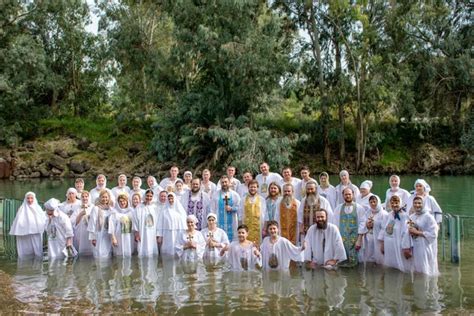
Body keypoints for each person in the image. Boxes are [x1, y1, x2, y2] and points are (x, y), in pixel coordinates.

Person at [405, 196, 439, 276]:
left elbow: (434, 234)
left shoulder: (429, 217)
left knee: (424, 269)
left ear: (423, 204)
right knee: (415, 269)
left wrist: (418, 232)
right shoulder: (411, 217)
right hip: (414, 246)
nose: (417, 205)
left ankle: (425, 284)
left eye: (419, 203)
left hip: (424, 246)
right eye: (415, 203)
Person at [333, 187, 366, 266]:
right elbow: (335, 224)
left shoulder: (359, 208)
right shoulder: (338, 208)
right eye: (346, 194)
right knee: (342, 261)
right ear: (343, 196)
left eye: (349, 194)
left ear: (353, 195)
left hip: (355, 239)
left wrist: (359, 239)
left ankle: (355, 276)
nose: (347, 196)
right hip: (342, 239)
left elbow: (362, 223)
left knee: (357, 262)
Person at [378, 195, 412, 273]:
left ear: (400, 203)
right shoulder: (389, 215)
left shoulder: (404, 216)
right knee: (390, 267)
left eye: (396, 203)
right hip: (389, 245)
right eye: (392, 203)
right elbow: (384, 229)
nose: (394, 205)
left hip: (399, 244)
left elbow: (406, 232)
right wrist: (382, 244)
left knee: (401, 266)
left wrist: (406, 248)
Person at [9, 192, 47, 258]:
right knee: (25, 248)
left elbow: (43, 218)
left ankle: (37, 263)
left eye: (31, 198)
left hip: (36, 231)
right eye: (28, 198)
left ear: (34, 199)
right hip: (24, 233)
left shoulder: (38, 208)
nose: (30, 200)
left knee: (37, 248)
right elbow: (18, 220)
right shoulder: (22, 209)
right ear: (25, 199)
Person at [360, 195, 388, 264]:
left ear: (378, 202)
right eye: (371, 202)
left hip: (378, 241)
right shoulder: (368, 212)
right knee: (369, 260)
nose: (373, 204)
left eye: (374, 202)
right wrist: (367, 225)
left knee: (380, 259)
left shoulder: (384, 214)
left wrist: (382, 243)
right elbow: (362, 223)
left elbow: (384, 228)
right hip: (368, 241)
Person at [157, 192, 187, 257]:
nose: (171, 200)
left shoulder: (180, 210)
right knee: (167, 253)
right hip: (167, 234)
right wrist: (159, 235)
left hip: (178, 234)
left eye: (172, 198)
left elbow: (184, 223)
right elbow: (160, 224)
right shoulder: (164, 211)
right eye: (169, 199)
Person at [212, 175, 241, 241]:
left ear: (229, 183)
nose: (224, 184)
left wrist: (232, 209)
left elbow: (240, 208)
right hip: (219, 222)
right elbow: (212, 209)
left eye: (226, 182)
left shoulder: (235, 195)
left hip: (232, 222)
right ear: (220, 183)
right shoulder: (215, 195)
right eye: (222, 182)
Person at [132, 190, 159, 257]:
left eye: (150, 196)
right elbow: (135, 220)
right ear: (144, 196)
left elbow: (157, 221)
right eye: (147, 196)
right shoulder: (139, 207)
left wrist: (157, 234)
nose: (149, 198)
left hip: (152, 232)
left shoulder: (154, 207)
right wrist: (137, 233)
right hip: (142, 232)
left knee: (151, 251)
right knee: (142, 249)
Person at [87, 189, 114, 258]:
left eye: (106, 197)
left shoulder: (110, 209)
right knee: (99, 253)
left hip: (108, 234)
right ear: (100, 198)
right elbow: (92, 223)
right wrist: (93, 237)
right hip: (98, 234)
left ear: (109, 198)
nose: (104, 199)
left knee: (108, 254)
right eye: (103, 197)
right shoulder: (96, 208)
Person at [239, 180, 266, 245]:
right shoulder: (243, 199)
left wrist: (264, 227)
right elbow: (240, 213)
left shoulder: (261, 199)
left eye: (254, 187)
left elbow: (265, 214)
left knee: (258, 245)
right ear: (248, 188)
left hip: (258, 227)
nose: (253, 189)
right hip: (246, 225)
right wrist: (240, 226)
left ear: (257, 188)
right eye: (251, 187)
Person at [70, 191, 94, 256]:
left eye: (86, 196)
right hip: (80, 233)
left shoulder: (93, 207)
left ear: (89, 197)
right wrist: (80, 214)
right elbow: (73, 222)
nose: (84, 198)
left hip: (90, 231)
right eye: (83, 197)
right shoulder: (77, 208)